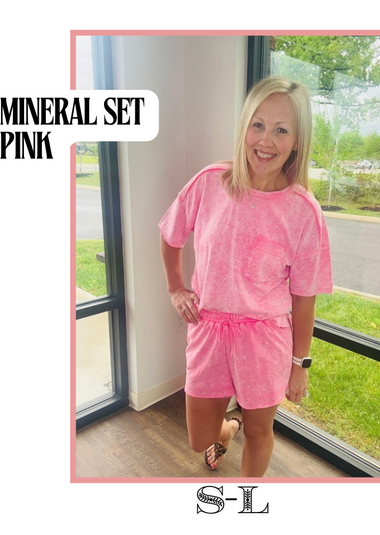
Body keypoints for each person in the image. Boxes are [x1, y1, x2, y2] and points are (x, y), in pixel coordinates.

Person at [159, 76, 332, 477]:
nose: (265, 141)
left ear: (297, 141)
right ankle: (226, 429)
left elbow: (304, 297)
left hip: (265, 338)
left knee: (259, 431)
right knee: (199, 438)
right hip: (209, 330)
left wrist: (300, 364)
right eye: (258, 125)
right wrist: (175, 287)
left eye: (281, 130)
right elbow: (170, 233)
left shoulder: (304, 211)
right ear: (244, 127)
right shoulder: (210, 182)